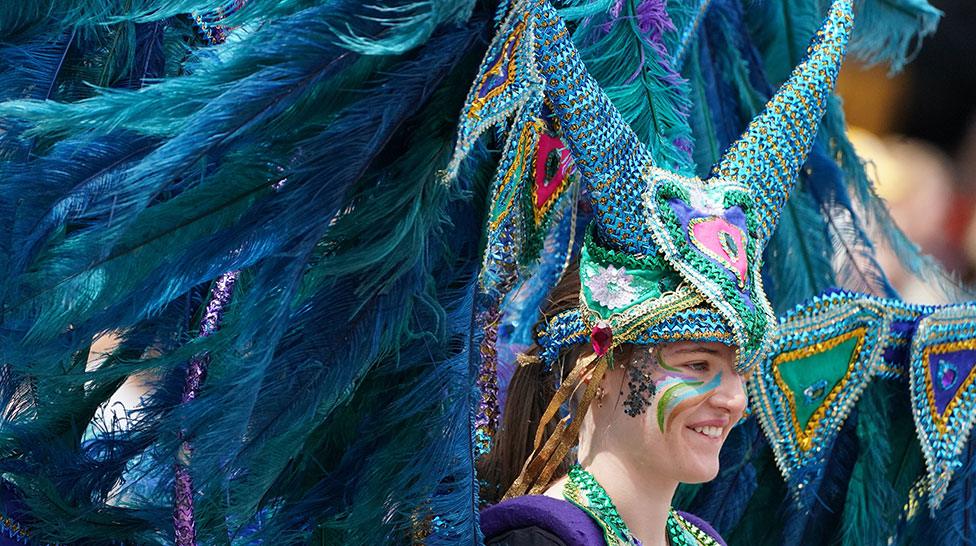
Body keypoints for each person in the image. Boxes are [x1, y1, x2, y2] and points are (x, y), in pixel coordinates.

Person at [441, 0, 857, 543]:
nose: (733, 399)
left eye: (741, 369)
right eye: (698, 362)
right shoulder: (539, 540)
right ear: (601, 365)